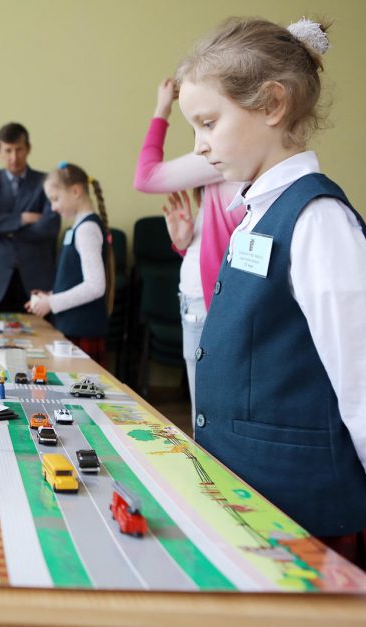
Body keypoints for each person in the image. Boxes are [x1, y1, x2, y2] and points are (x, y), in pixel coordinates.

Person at [176, 17, 366, 576]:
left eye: (208, 122)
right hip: (251, 496)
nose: (200, 145)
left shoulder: (318, 220)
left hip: (306, 511)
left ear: (272, 104)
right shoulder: (255, 214)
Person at [134, 77, 246, 425]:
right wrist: (184, 242)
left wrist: (162, 108)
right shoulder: (226, 165)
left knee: (209, 417)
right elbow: (218, 247)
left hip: (207, 303)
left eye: (207, 123)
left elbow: (146, 177)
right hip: (198, 298)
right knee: (208, 415)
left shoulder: (225, 155)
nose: (201, 144)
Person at [25, 162, 114, 366]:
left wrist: (51, 304)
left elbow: (95, 286)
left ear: (75, 191)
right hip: (73, 327)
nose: (53, 207)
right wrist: (50, 296)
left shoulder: (87, 229)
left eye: (55, 199)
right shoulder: (78, 228)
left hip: (83, 330)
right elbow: (75, 279)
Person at [0, 122, 60, 311]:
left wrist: (2, 226)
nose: (13, 157)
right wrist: (24, 218)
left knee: (39, 338)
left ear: (28, 149)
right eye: (8, 150)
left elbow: (51, 226)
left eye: (19, 150)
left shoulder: (47, 182)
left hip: (35, 278)